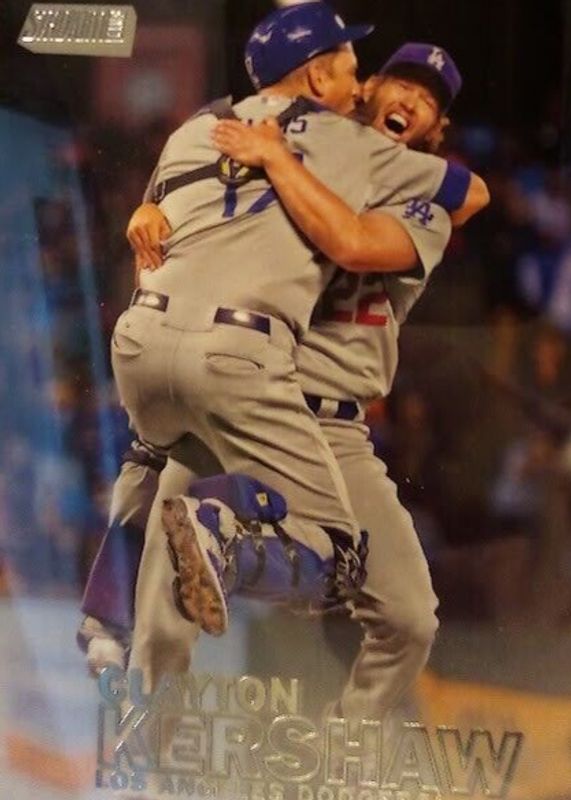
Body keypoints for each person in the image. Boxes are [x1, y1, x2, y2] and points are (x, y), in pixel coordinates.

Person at [82, 2, 484, 699]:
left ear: (435, 130)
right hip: (240, 386)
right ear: (362, 89)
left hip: (329, 420)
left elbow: (353, 240)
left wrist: (273, 156)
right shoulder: (285, 141)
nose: (411, 102)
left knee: (407, 617)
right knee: (161, 599)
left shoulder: (411, 200)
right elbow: (193, 200)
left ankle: (353, 746)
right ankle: (143, 729)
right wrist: (149, 212)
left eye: (429, 103)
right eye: (401, 85)